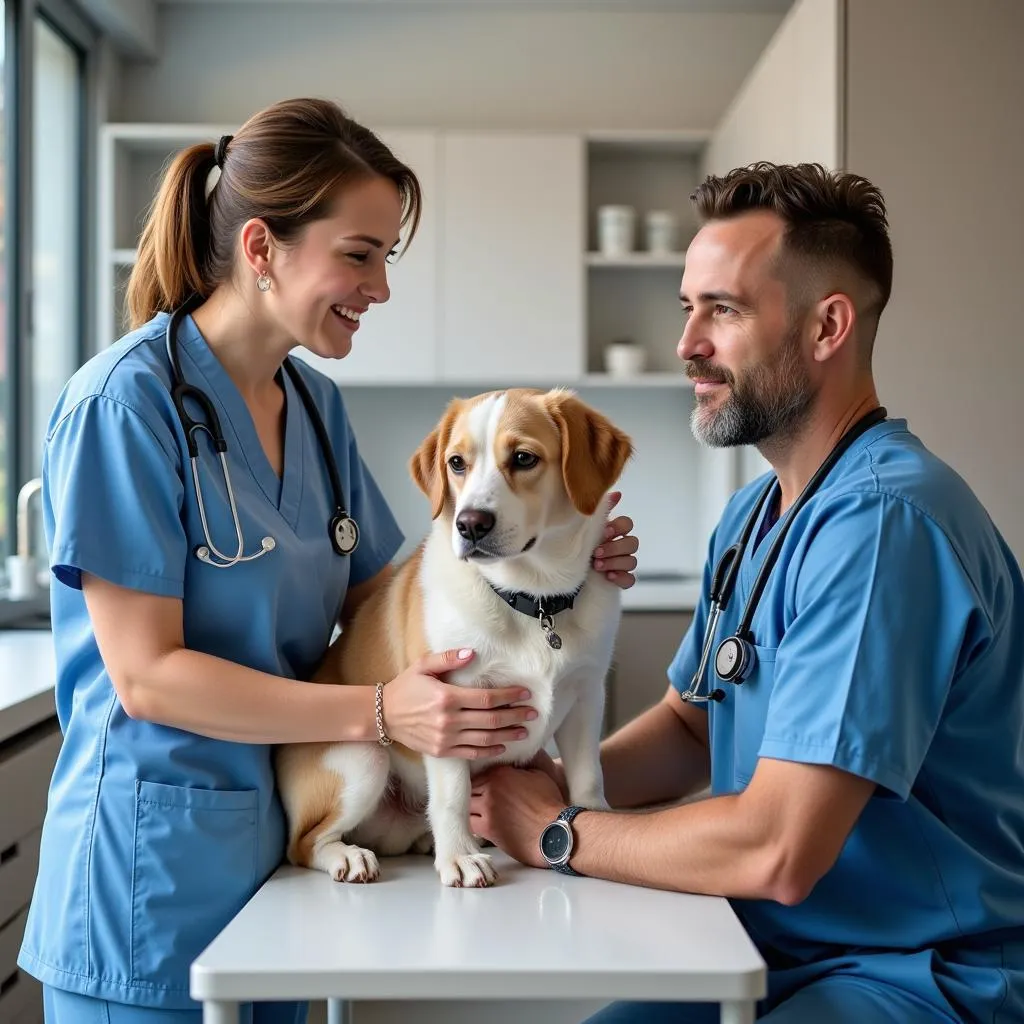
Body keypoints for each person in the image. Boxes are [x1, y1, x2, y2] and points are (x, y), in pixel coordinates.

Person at [17, 96, 641, 1024]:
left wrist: (558, 557)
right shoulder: (124, 405)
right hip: (155, 874)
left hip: (292, 869)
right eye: (358, 255)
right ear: (262, 249)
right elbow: (148, 680)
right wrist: (384, 712)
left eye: (385, 257)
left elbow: (403, 600)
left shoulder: (311, 408)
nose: (380, 288)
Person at [469, 161, 1024, 1023]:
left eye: (722, 310)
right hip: (771, 948)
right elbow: (693, 726)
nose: (688, 342)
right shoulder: (754, 515)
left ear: (827, 326)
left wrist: (556, 832)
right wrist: (537, 780)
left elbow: (779, 848)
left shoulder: (883, 527)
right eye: (686, 309)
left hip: (920, 976)